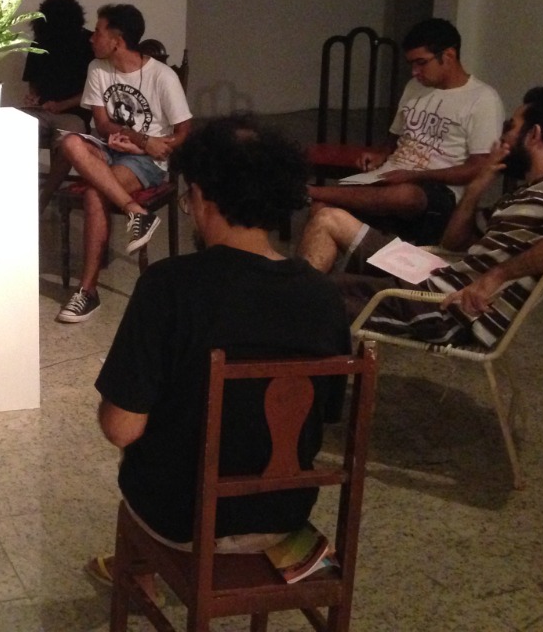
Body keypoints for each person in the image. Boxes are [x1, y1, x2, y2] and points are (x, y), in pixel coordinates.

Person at [92, 117, 350, 576]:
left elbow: (121, 429)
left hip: (180, 519)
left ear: (201, 196)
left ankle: (139, 572)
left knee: (140, 443)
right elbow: (324, 415)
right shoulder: (324, 297)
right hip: (283, 516)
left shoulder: (169, 286)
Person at [300, 85, 543, 349]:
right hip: (435, 277)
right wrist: (475, 188)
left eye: (510, 127)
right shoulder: (522, 195)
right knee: (328, 220)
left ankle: (298, 347)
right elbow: (453, 243)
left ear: (534, 135)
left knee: (305, 298)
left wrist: (496, 276)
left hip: (447, 310)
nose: (502, 136)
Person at [307, 18, 504, 245]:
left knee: (405, 195)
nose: (415, 72)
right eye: (412, 64)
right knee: (322, 210)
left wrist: (416, 175)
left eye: (421, 63)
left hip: (438, 190)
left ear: (448, 56)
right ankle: (326, 264)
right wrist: (381, 153)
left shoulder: (482, 99)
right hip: (392, 177)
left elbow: (478, 168)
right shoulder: (414, 87)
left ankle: (311, 191)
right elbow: (395, 136)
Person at [55, 4, 192, 324]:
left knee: (95, 192)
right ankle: (136, 212)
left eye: (98, 32)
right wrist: (136, 138)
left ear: (117, 41)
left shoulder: (162, 76)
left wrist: (153, 146)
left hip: (147, 161)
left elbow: (184, 131)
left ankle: (87, 291)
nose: (92, 38)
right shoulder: (97, 68)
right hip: (114, 148)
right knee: (70, 142)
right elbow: (103, 124)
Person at [21, 0, 95, 147]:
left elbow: (94, 91)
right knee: (14, 129)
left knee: (68, 142)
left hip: (74, 114)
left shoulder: (90, 44)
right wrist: (33, 97)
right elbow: (33, 79)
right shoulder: (40, 42)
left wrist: (62, 105)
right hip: (41, 111)